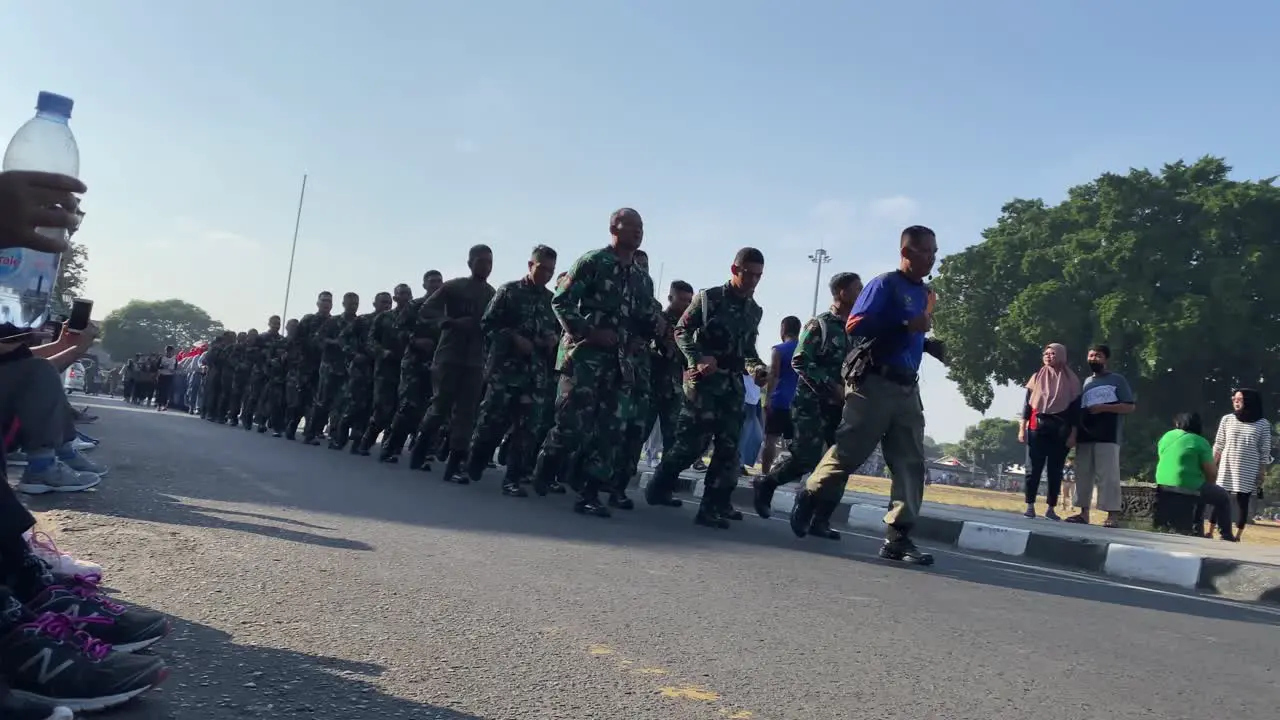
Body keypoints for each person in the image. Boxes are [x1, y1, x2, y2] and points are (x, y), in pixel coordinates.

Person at [790, 226, 943, 564]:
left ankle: (898, 537)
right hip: (874, 383)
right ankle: (810, 493)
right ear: (906, 253)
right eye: (926, 251)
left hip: (907, 387)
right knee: (848, 453)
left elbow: (912, 333)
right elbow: (855, 325)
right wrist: (906, 325)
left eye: (934, 250)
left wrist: (929, 344)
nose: (932, 257)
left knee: (910, 462)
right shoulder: (885, 284)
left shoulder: (924, 292)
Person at [532, 208, 661, 517]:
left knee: (610, 430)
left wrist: (650, 329)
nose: (638, 232)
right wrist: (589, 331)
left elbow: (642, 318)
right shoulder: (593, 262)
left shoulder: (643, 279)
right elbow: (560, 301)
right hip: (585, 359)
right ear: (614, 229)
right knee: (571, 426)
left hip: (620, 364)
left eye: (641, 227)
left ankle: (590, 493)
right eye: (632, 227)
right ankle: (546, 463)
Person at [645, 247, 768, 529]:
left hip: (732, 386)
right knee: (690, 446)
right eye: (748, 274)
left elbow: (748, 350)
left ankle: (711, 507)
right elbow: (681, 331)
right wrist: (697, 357)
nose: (752, 281)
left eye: (758, 276)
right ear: (735, 270)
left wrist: (756, 369)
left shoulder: (754, 311)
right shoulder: (708, 299)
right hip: (703, 384)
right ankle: (661, 482)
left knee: (728, 449)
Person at [752, 272, 861, 538]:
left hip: (843, 407)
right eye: (857, 290)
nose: (862, 295)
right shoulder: (820, 325)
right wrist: (829, 386)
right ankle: (767, 483)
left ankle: (820, 520)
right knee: (807, 457)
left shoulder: (858, 329)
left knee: (839, 463)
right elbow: (800, 361)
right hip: (811, 404)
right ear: (842, 293)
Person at [464, 245, 558, 494]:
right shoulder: (509, 291)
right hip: (506, 372)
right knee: (492, 422)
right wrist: (513, 338)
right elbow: (488, 324)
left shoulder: (551, 301)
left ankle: (513, 479)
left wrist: (551, 341)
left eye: (551, 270)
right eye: (542, 268)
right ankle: (475, 460)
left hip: (536, 375)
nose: (546, 274)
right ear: (530, 265)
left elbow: (558, 334)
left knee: (527, 428)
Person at [408, 247, 496, 479]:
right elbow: (428, 310)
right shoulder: (454, 287)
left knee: (467, 412)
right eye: (481, 261)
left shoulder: (492, 294)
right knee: (440, 406)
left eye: (490, 262)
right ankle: (421, 447)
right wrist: (449, 322)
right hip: (449, 354)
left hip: (476, 359)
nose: (486, 266)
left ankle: (455, 463)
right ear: (470, 262)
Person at [1067, 344, 1136, 528]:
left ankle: (1112, 515)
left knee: (1109, 476)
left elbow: (1129, 406)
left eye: (1097, 356)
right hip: (1085, 435)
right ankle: (1083, 513)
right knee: (1083, 475)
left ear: (1105, 359)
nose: (1093, 359)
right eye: (1090, 356)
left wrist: (1105, 407)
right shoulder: (1086, 383)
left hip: (1108, 435)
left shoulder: (1117, 380)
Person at [1018, 342, 1082, 520]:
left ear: (1061, 356)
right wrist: (1021, 429)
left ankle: (1050, 509)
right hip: (1036, 428)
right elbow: (1027, 406)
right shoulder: (1037, 377)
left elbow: (1076, 412)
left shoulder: (1072, 380)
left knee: (1055, 470)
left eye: (1053, 354)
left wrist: (1073, 434)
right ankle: (1030, 506)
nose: (1048, 356)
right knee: (1033, 469)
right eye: (1046, 353)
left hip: (1061, 431)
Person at [1155, 412, 1237, 541]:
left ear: (1178, 424)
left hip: (1162, 483)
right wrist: (1209, 483)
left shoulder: (1166, 436)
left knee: (1201, 494)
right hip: (1188, 485)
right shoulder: (1200, 441)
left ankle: (1197, 530)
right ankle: (1226, 535)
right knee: (1222, 497)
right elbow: (1211, 472)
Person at [1210, 388, 1271, 540]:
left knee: (1242, 502)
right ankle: (1210, 531)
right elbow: (1219, 444)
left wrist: (1261, 471)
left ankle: (1237, 535)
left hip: (1249, 468)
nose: (1236, 402)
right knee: (1220, 497)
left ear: (1249, 401)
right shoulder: (1227, 419)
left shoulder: (1263, 424)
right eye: (1234, 399)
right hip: (1227, 466)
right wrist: (1212, 465)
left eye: (1240, 399)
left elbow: (1264, 450)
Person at [761, 315, 801, 474]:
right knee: (798, 443)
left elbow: (774, 376)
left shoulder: (778, 350)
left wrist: (767, 399)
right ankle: (797, 475)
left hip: (779, 401)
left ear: (782, 330)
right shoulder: (803, 349)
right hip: (798, 402)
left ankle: (764, 474)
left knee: (770, 439)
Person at [155, 345, 177, 411]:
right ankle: (158, 404)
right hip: (162, 375)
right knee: (160, 390)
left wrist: (173, 370)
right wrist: (163, 367)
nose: (170, 353)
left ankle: (164, 405)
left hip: (169, 376)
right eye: (169, 351)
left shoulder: (174, 359)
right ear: (166, 351)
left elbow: (175, 368)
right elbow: (157, 366)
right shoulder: (162, 358)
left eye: (171, 351)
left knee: (166, 391)